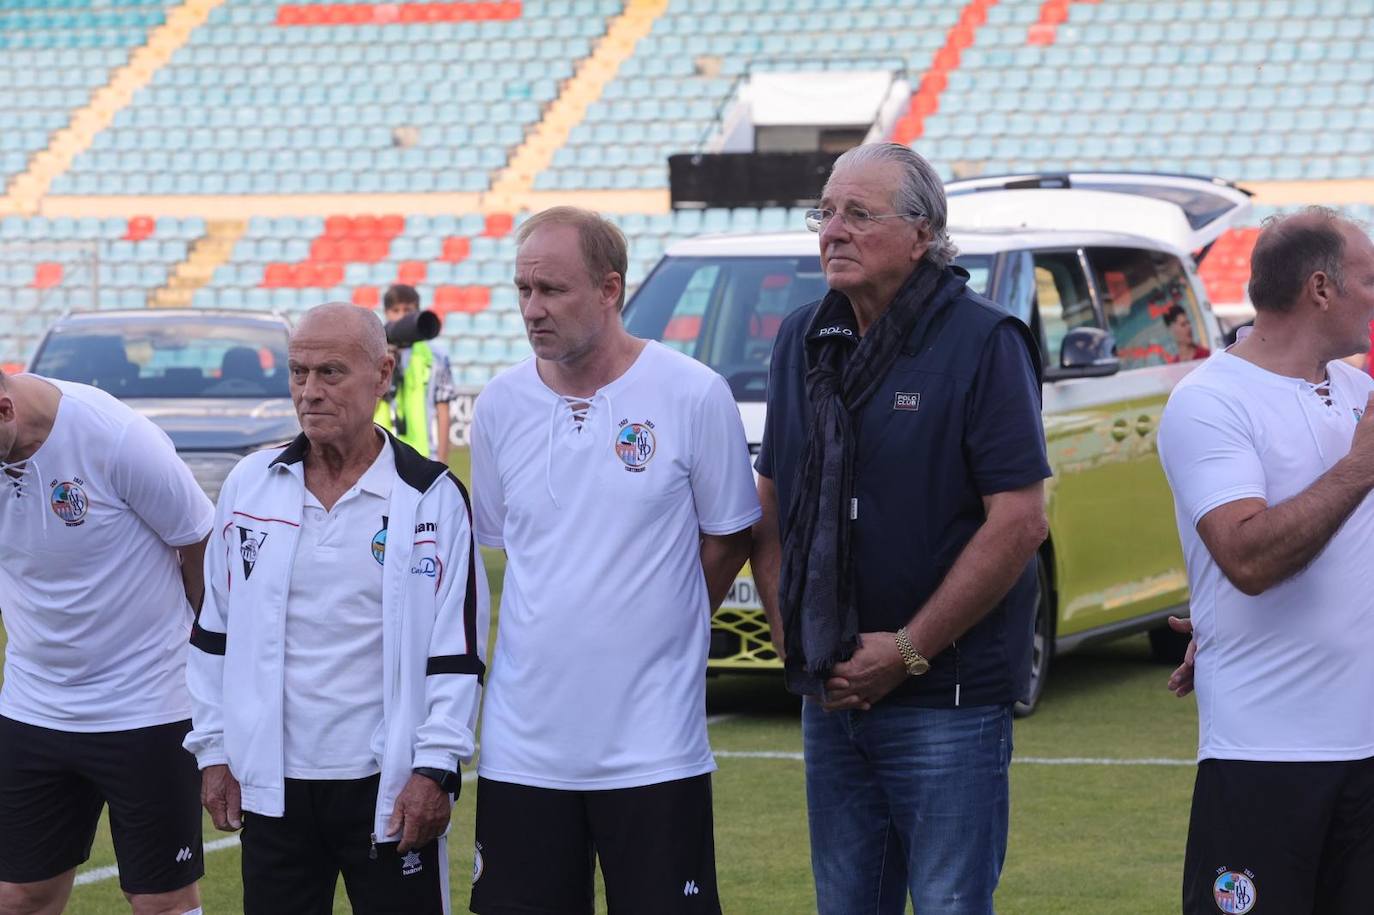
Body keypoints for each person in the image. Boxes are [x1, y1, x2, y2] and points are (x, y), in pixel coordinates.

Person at [750, 142, 1051, 915]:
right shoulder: (801, 340)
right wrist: (789, 627)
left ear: (923, 235)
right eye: (826, 212)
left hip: (945, 698)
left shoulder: (985, 341)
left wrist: (909, 648)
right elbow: (772, 497)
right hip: (834, 694)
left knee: (951, 903)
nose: (834, 231)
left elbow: (1019, 522)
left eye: (859, 214)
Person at [468, 207, 759, 914]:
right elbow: (507, 546)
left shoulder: (692, 393)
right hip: (523, 751)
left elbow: (729, 536)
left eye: (552, 290)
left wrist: (668, 618)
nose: (532, 309)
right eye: (523, 290)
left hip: (655, 750)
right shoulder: (500, 405)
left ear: (609, 289)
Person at [184, 303, 488, 914]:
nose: (309, 392)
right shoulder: (250, 483)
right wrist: (214, 751)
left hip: (390, 785)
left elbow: (456, 654)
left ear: (383, 373)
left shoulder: (430, 496)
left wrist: (435, 770)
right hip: (272, 788)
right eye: (298, 373)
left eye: (330, 373)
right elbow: (213, 632)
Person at [1157, 208, 1374, 915]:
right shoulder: (1210, 400)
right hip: (1265, 759)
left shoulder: (1359, 394)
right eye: (1369, 281)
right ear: (1321, 288)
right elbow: (1247, 558)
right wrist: (1357, 469)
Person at [0, 369, 213, 915]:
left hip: (145, 704)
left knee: (160, 901)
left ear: (5, 411)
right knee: (19, 896)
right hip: (33, 705)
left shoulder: (113, 435)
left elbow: (197, 542)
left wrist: (215, 669)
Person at [375, 284, 459, 463]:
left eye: (408, 310)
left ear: (418, 313)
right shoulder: (374, 352)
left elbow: (443, 410)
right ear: (386, 313)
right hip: (379, 454)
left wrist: (442, 463)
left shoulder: (436, 355)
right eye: (395, 310)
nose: (402, 316)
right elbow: (366, 405)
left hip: (424, 456)